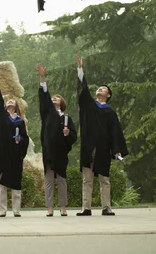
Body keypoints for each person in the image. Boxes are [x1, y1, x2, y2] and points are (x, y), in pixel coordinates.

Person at [75, 55, 128, 216]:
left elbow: (115, 132)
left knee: (104, 179)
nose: (100, 89)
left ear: (108, 95)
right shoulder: (90, 106)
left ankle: (106, 207)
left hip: (104, 148)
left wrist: (117, 149)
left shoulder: (110, 112)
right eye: (99, 88)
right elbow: (83, 93)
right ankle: (86, 208)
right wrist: (80, 69)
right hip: (89, 146)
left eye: (104, 89)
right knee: (87, 179)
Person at [0, 68, 29, 217]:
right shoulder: (1, 116)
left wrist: (20, 140)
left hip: (15, 154)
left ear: (16, 105)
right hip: (2, 153)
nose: (10, 101)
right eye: (7, 100)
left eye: (12, 100)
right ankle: (2, 210)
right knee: (2, 183)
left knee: (16, 183)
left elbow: (25, 137)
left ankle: (16, 210)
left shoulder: (20, 121)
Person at [37, 63, 77, 217]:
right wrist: (42, 77)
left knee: (61, 181)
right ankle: (49, 208)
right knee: (48, 181)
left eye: (57, 98)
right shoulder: (47, 114)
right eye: (53, 97)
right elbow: (44, 96)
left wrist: (67, 134)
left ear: (62, 103)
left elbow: (74, 136)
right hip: (49, 151)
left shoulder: (66, 118)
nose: (54, 98)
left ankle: (63, 207)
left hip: (61, 153)